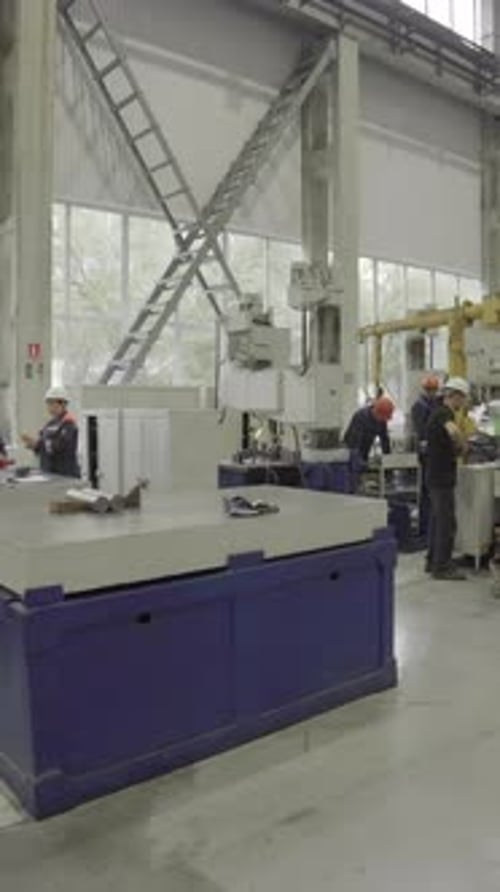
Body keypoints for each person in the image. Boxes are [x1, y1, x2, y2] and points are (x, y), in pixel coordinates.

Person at [425, 376, 469, 581]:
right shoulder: (444, 413)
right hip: (441, 478)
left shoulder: (436, 412)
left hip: (435, 476)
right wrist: (463, 446)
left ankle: (432, 561)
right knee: (447, 523)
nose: (464, 403)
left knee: (437, 521)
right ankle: (442, 568)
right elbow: (453, 432)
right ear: (454, 396)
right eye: (463, 398)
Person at [21, 387, 80, 478]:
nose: (49, 407)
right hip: (49, 473)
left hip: (64, 475)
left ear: (63, 404)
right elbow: (43, 447)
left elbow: (59, 446)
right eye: (48, 403)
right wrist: (33, 445)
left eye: (52, 403)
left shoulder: (68, 423)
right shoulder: (49, 424)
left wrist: (39, 444)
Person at [410, 374, 440, 537]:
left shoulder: (436, 403)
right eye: (430, 390)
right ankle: (424, 529)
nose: (432, 393)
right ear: (425, 389)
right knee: (426, 492)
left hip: (435, 453)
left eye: (434, 390)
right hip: (427, 454)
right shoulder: (419, 406)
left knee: (433, 493)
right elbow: (421, 431)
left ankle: (431, 528)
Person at [343, 396, 395, 464]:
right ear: (377, 413)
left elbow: (385, 440)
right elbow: (354, 444)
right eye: (384, 418)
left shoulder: (381, 421)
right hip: (350, 454)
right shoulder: (360, 417)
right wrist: (358, 462)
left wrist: (388, 460)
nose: (384, 421)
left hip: (364, 453)